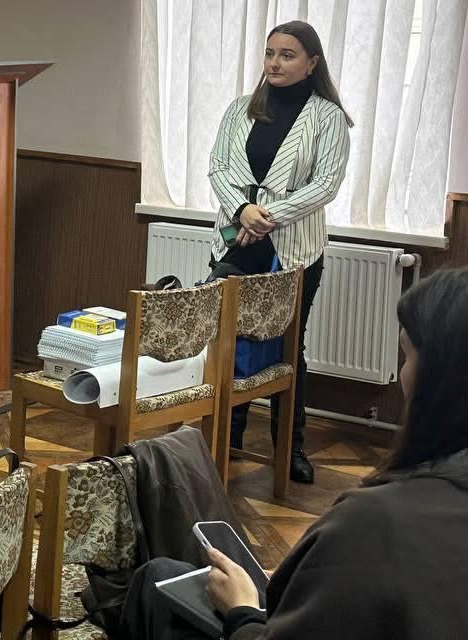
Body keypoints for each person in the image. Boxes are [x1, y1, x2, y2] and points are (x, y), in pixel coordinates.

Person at [119, 266, 468, 639]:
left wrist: (242, 611)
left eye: (407, 355)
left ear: (438, 379)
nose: (403, 376)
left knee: (155, 578)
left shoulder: (372, 522)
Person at [208, 21, 352, 484]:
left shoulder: (328, 117)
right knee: (229, 343)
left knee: (289, 347)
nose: (275, 62)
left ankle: (290, 448)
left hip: (294, 248)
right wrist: (242, 211)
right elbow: (218, 167)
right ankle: (227, 437)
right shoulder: (240, 109)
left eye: (287, 55)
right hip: (236, 239)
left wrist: (266, 217)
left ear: (312, 63)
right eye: (270, 53)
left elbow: (325, 185)